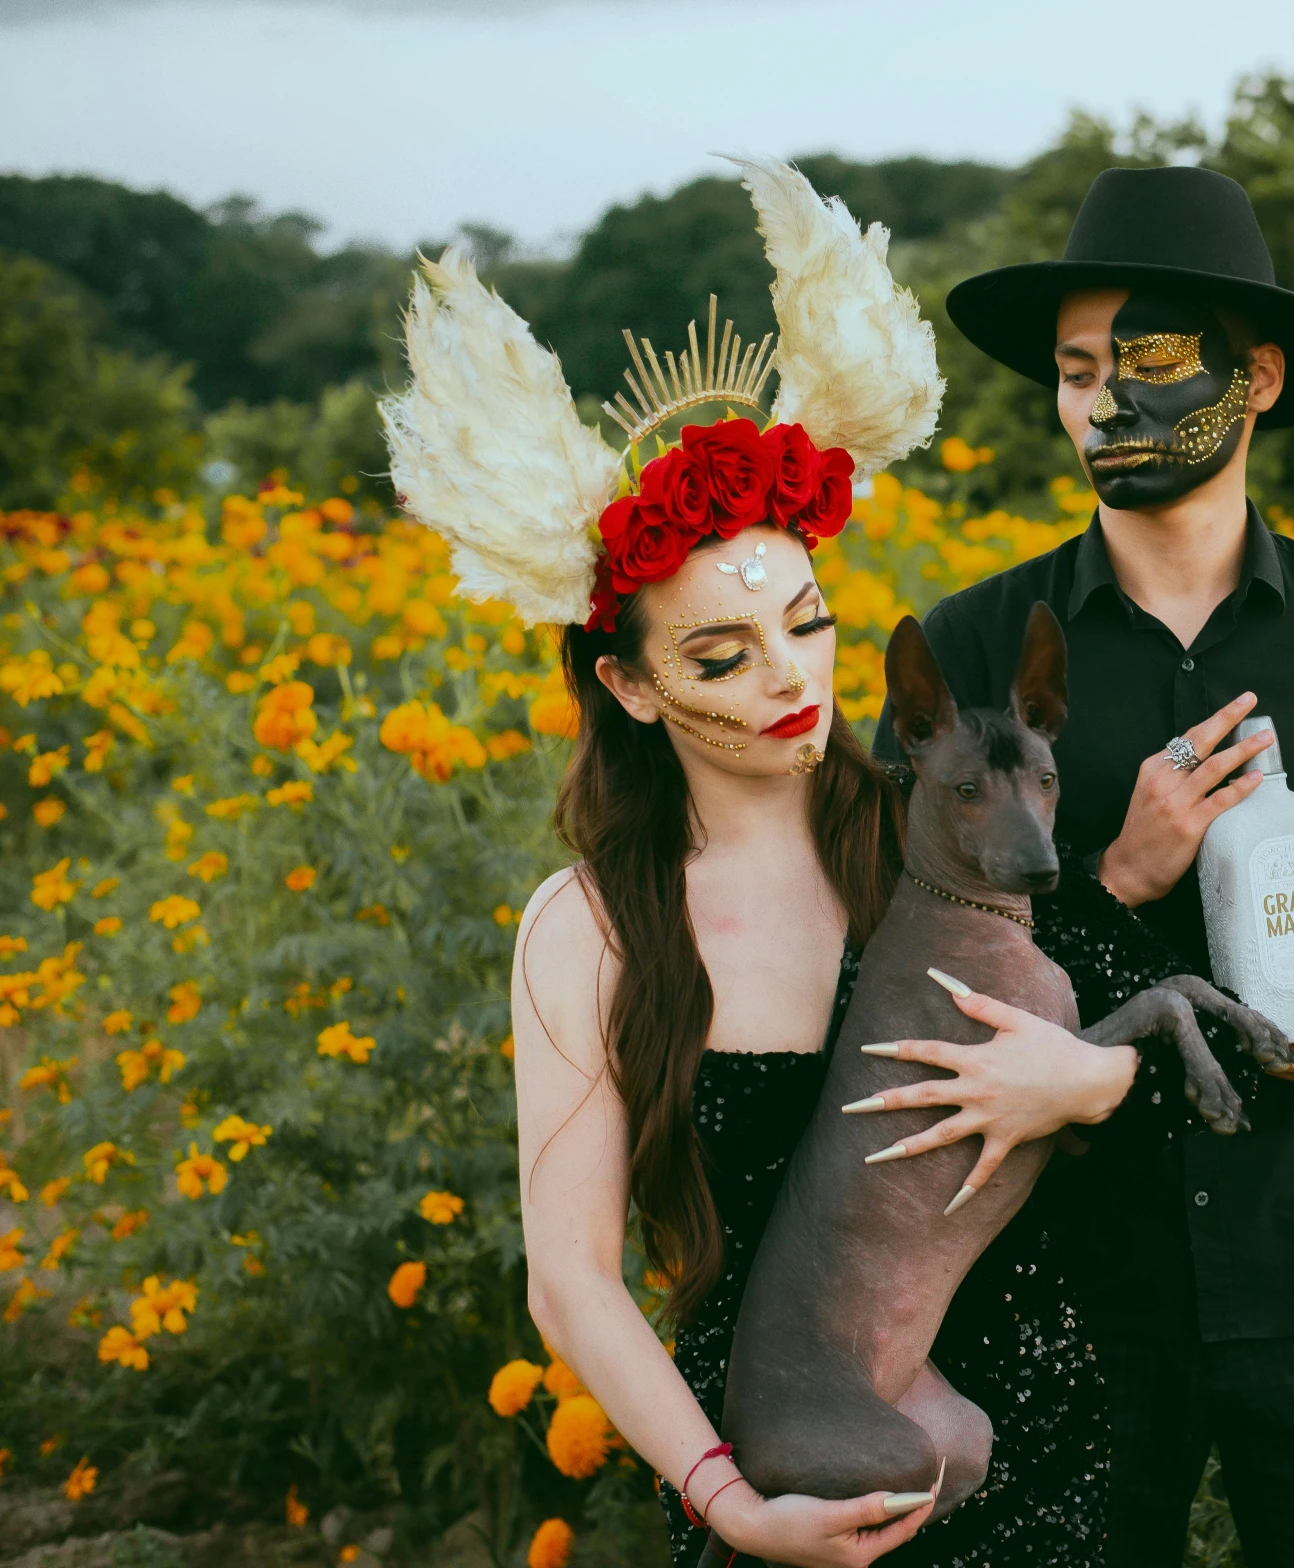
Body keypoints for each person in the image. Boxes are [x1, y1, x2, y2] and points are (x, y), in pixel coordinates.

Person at [381, 160, 1162, 1568]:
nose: (790, 681)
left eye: (807, 624)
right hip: (791, 1469)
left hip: (1036, 1425)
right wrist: (730, 1502)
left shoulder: (940, 827)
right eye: (720, 655)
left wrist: (1098, 1061)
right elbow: (572, 1280)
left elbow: (1125, 1069)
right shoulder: (595, 928)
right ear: (627, 687)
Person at [884, 165, 1294, 1568]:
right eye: (1076, 369)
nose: (1102, 403)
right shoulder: (971, 651)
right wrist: (1114, 876)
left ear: (1257, 377)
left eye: (1148, 362)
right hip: (1063, 1275)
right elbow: (898, 962)